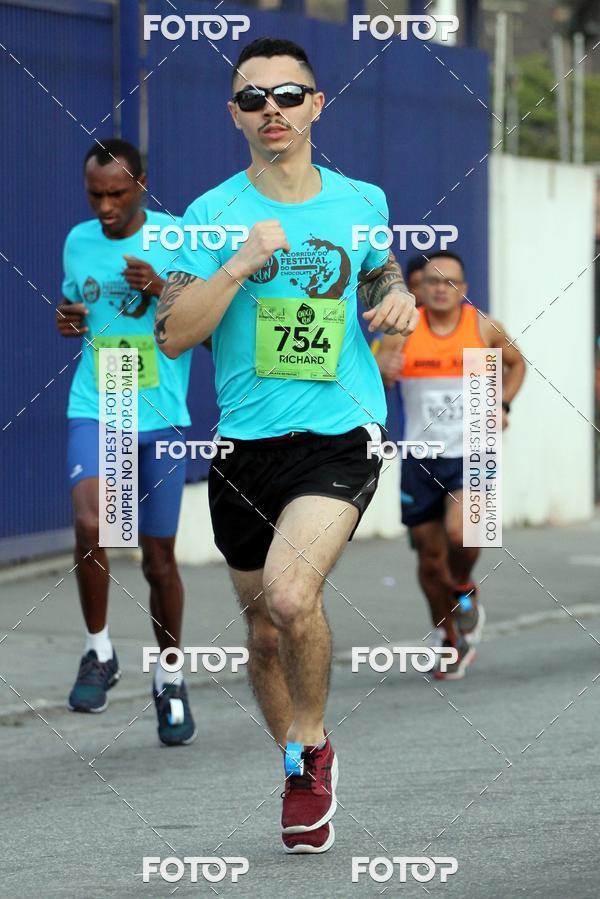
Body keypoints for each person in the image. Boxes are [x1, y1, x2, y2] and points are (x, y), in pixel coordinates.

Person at [153, 38, 417, 852]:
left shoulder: (360, 199)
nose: (274, 109)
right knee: (263, 630)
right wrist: (236, 264)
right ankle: (303, 758)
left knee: (291, 596)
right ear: (234, 116)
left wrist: (398, 293)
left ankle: (310, 750)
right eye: (255, 99)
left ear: (317, 106)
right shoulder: (205, 216)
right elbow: (170, 334)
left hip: (339, 435)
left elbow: (376, 271)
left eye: (290, 95)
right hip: (243, 448)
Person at [57, 139, 196, 745]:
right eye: (95, 195)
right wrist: (67, 318)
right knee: (91, 525)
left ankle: (170, 679)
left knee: (157, 557)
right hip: (101, 399)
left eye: (117, 193)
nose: (106, 207)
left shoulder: (178, 236)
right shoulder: (77, 240)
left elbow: (204, 321)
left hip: (160, 411)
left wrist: (163, 288)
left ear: (141, 183)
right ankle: (99, 652)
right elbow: (75, 305)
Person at [377, 250, 525, 678]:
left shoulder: (483, 326)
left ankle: (464, 586)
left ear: (464, 288)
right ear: (419, 288)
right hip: (420, 454)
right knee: (428, 557)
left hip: (475, 447)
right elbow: (377, 380)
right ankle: (448, 638)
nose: (441, 289)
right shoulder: (403, 329)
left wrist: (504, 403)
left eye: (451, 282)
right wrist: (384, 371)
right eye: (433, 282)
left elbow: (516, 365)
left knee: (463, 534)